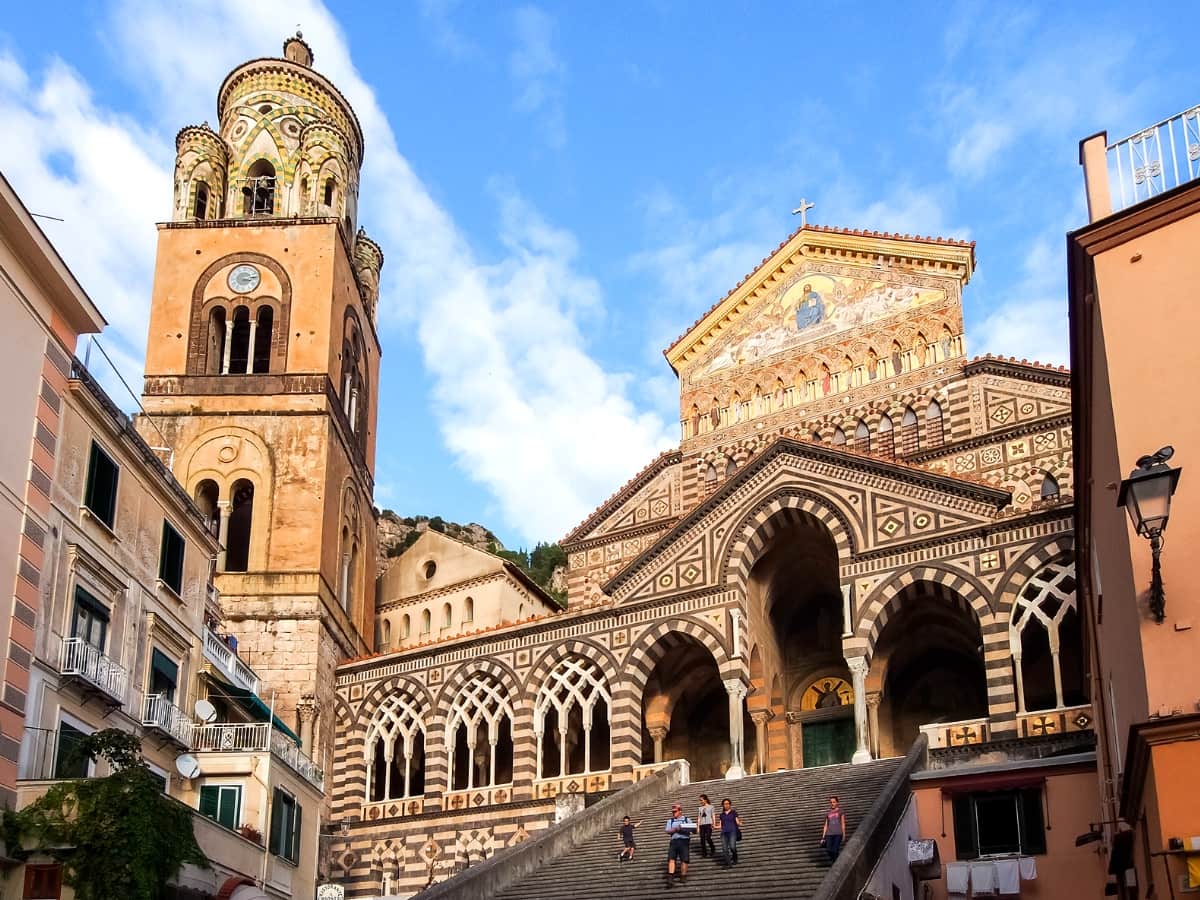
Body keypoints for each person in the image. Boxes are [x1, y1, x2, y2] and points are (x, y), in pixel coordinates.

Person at [664, 802, 695, 886]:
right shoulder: (670, 821)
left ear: (680, 811)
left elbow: (694, 830)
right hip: (674, 841)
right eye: (673, 812)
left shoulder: (687, 819)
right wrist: (676, 829)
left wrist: (686, 828)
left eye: (675, 811)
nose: (673, 813)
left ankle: (683, 876)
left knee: (684, 859)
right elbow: (667, 831)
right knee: (671, 859)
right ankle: (670, 878)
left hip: (684, 841)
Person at [718, 797, 743, 867]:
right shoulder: (721, 815)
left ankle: (735, 857)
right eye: (724, 804)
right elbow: (720, 825)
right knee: (724, 848)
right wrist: (714, 826)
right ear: (722, 805)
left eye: (727, 804)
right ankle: (728, 863)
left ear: (730, 805)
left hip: (732, 831)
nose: (726, 805)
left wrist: (740, 823)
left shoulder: (733, 812)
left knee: (732, 847)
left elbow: (737, 822)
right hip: (724, 833)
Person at [821, 796, 846, 862]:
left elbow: (843, 823)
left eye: (834, 802)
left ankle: (836, 862)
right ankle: (836, 861)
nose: (832, 803)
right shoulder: (828, 813)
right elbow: (826, 825)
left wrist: (844, 834)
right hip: (829, 834)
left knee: (835, 850)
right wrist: (823, 837)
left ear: (837, 802)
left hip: (838, 834)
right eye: (831, 802)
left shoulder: (841, 811)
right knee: (828, 849)